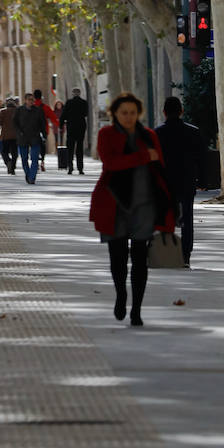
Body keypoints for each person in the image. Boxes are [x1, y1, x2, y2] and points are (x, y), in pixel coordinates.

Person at [90, 92, 175, 327]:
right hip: (114, 205)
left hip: (144, 206)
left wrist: (170, 203)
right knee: (117, 259)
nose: (128, 117)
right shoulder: (106, 134)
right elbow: (111, 163)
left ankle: (136, 309)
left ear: (139, 114)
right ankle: (121, 295)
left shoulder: (148, 136)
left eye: (133, 113)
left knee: (139, 259)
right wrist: (143, 156)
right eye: (123, 112)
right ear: (115, 114)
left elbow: (159, 167)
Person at [154, 96, 206, 267]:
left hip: (164, 182)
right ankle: (185, 256)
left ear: (164, 112)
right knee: (187, 219)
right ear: (181, 111)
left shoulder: (157, 133)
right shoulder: (193, 131)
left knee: (164, 217)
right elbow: (201, 159)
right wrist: (203, 180)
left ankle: (166, 253)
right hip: (186, 181)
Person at [13, 92, 46, 184]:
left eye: (33, 100)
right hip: (23, 137)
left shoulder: (38, 111)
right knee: (24, 159)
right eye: (29, 100)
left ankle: (32, 177)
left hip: (35, 137)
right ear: (25, 100)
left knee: (34, 159)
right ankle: (28, 174)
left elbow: (42, 123)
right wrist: (19, 132)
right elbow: (15, 123)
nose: (31, 101)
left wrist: (44, 134)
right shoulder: (19, 110)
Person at [60, 88, 89, 175]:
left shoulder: (69, 102)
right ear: (79, 94)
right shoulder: (84, 103)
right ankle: (80, 168)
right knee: (79, 148)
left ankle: (70, 167)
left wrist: (61, 125)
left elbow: (64, 114)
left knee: (70, 148)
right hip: (81, 126)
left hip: (71, 127)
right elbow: (85, 114)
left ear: (73, 94)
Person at [32, 89, 58, 171]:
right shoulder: (45, 107)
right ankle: (42, 161)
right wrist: (59, 125)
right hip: (44, 130)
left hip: (32, 130)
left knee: (34, 146)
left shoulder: (32, 107)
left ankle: (35, 162)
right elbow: (53, 117)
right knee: (42, 146)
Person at [0, 96, 19, 173]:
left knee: (4, 151)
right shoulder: (17, 111)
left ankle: (8, 162)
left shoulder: (2, 111)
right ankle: (13, 166)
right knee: (14, 152)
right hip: (15, 135)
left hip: (5, 135)